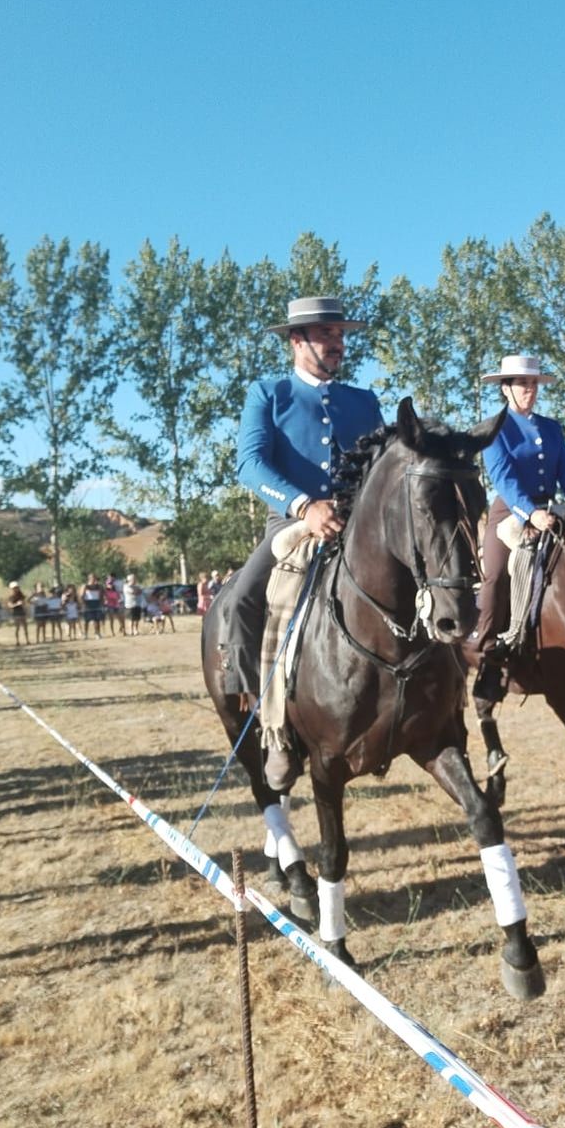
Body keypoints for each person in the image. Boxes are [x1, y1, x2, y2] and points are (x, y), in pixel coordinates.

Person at [224, 296, 385, 788]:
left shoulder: (365, 400)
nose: (337, 344)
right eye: (326, 335)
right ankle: (270, 727)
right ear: (297, 341)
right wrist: (303, 507)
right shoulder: (268, 393)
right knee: (244, 598)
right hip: (292, 523)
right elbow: (249, 465)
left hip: (357, 526)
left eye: (340, 336)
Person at [466, 354, 565, 702]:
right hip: (511, 511)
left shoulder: (552, 428)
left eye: (533, 384)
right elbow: (503, 478)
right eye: (523, 384)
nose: (530, 390)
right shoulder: (495, 428)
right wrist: (529, 513)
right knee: (495, 577)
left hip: (552, 509)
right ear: (506, 389)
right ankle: (488, 653)